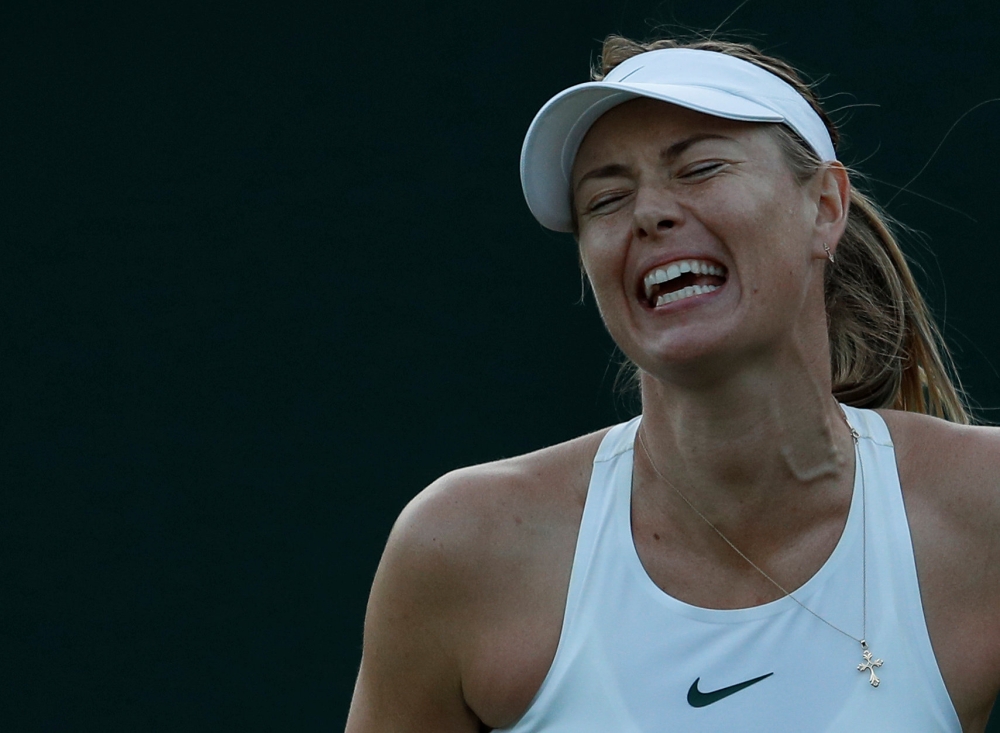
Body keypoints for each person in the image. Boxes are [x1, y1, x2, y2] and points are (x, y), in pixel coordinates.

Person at [345, 35, 1000, 732]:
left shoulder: (984, 507)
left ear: (825, 206)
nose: (648, 213)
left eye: (700, 168)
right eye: (606, 198)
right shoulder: (460, 547)